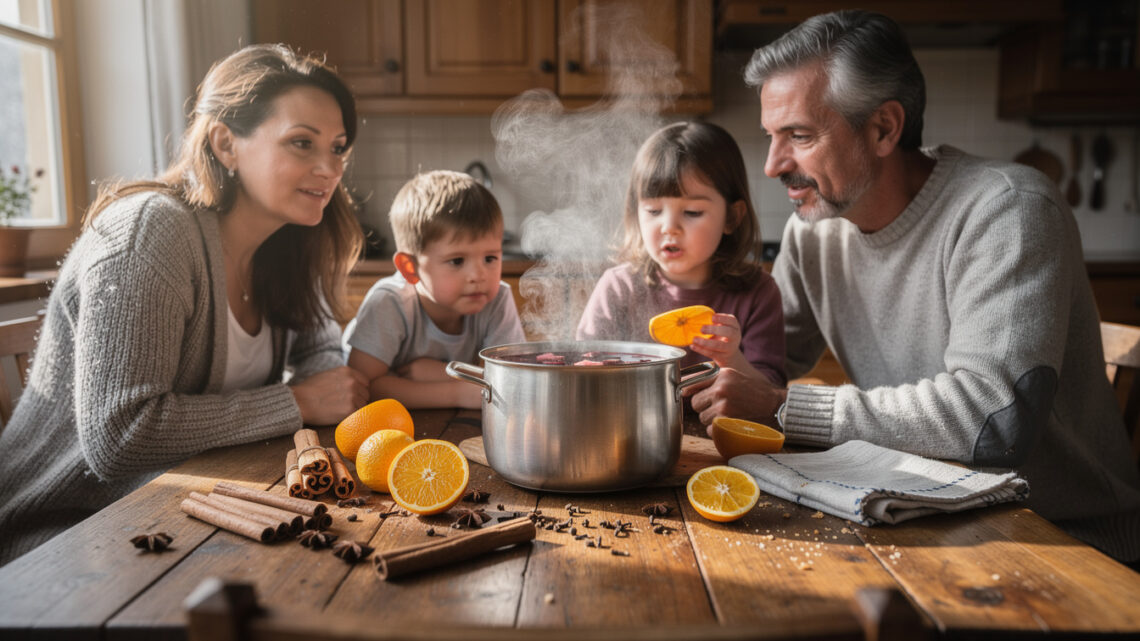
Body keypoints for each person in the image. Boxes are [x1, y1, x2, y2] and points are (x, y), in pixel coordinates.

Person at [688, 9, 1140, 564]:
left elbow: (995, 422)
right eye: (771, 137)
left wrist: (783, 406)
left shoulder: (1007, 210)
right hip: (922, 518)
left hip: (1065, 543)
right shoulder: (814, 232)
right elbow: (760, 363)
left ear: (883, 128)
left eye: (799, 136)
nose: (772, 165)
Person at [0, 44, 371, 566]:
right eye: (301, 143)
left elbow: (321, 357)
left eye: (337, 148)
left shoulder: (292, 239)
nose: (329, 168)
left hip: (177, 508)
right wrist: (299, 403)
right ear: (226, 144)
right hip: (58, 531)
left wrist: (319, 389)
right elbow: (121, 434)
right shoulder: (149, 233)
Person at [576, 121, 785, 385]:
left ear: (732, 217)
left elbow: (770, 394)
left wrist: (732, 359)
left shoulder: (758, 293)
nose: (669, 227)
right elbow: (582, 370)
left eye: (692, 212)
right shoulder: (618, 288)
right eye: (653, 211)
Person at [344, 170, 525, 409]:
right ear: (411, 268)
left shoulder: (497, 299)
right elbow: (361, 387)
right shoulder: (389, 303)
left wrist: (441, 372)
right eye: (457, 261)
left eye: (490, 258)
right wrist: (457, 392)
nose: (479, 275)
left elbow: (514, 382)